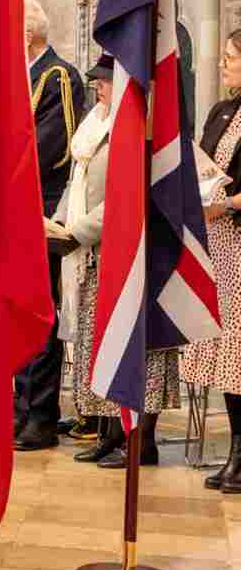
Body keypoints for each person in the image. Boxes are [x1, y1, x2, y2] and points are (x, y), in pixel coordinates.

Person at [57, 57, 180, 468]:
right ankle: (109, 432)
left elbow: (128, 194)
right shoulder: (94, 125)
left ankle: (140, 441)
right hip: (94, 253)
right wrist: (57, 225)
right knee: (99, 344)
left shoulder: (137, 128)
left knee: (136, 349)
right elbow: (80, 180)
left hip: (129, 254)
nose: (98, 88)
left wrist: (79, 232)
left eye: (105, 83)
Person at [15, 0, 89, 451]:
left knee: (39, 315)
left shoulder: (56, 76)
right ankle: (18, 408)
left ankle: (40, 415)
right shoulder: (18, 77)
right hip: (15, 208)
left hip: (42, 207)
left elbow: (53, 144)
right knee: (17, 312)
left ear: (28, 33)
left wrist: (3, 174)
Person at [184, 31, 241, 493]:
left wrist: (229, 204)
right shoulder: (222, 110)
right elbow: (203, 160)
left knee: (240, 353)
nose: (223, 66)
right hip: (216, 239)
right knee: (226, 353)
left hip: (238, 234)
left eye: (230, 58)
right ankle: (235, 453)